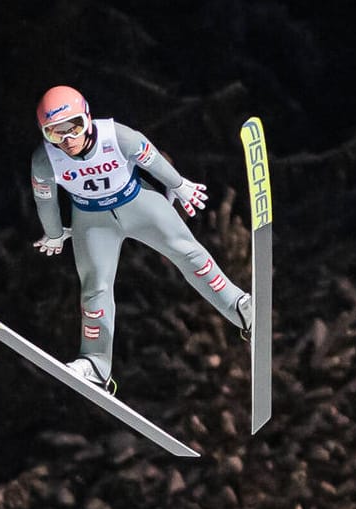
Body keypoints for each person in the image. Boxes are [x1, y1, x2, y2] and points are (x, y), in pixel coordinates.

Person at [30, 85, 252, 392]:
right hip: (92, 221)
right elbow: (45, 200)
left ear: (88, 118)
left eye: (74, 127)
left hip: (138, 203)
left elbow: (152, 160)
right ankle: (95, 364)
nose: (67, 141)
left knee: (189, 253)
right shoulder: (45, 160)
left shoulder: (118, 137)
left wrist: (180, 184)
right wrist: (54, 234)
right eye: (55, 134)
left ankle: (240, 307)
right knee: (95, 287)